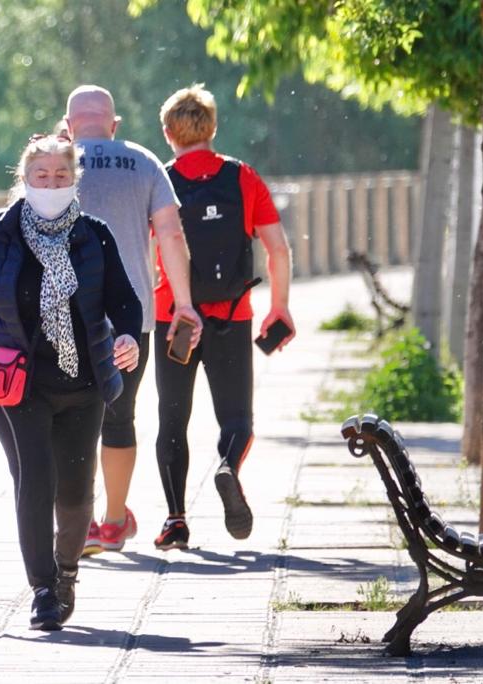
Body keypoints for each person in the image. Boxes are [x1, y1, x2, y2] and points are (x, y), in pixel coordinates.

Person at [0, 134, 142, 630]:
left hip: (84, 380)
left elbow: (124, 301)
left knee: (75, 490)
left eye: (61, 176)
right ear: (24, 179)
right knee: (35, 478)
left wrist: (127, 336)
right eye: (41, 176)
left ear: (75, 180)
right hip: (14, 383)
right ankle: (43, 590)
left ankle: (67, 572)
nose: (51, 184)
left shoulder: (94, 234)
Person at [152, 85, 294, 551]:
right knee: (237, 420)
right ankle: (228, 467)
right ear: (212, 128)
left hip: (176, 319)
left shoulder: (161, 181)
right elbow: (277, 248)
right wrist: (279, 306)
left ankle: (175, 520)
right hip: (233, 315)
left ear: (169, 132)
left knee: (172, 420)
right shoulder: (242, 177)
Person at [64, 85, 202, 555]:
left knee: (66, 415)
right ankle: (114, 520)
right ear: (114, 124)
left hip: (60, 315)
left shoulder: (50, 164)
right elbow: (170, 233)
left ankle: (74, 520)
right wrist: (182, 303)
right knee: (118, 418)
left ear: (69, 125)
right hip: (131, 318)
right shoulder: (144, 161)